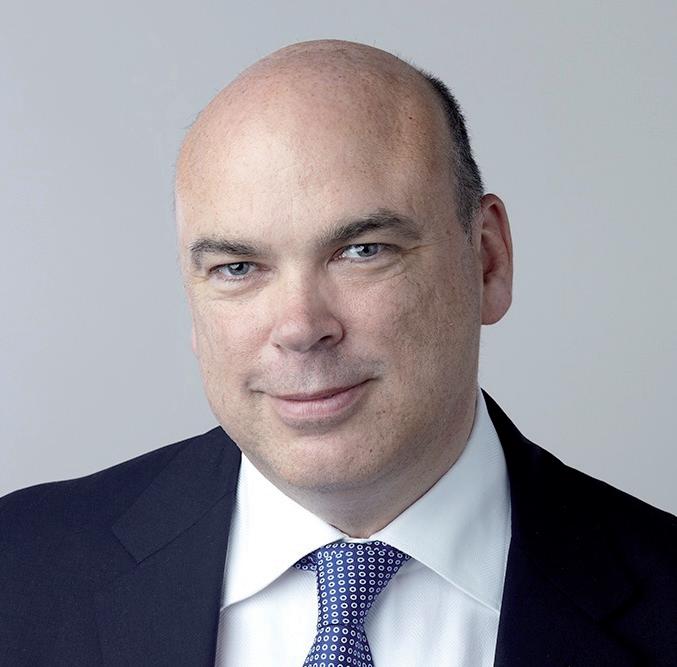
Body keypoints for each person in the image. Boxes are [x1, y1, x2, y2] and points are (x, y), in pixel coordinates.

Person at [1, 39, 675, 666]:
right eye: (238, 267)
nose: (300, 327)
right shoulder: (19, 572)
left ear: (487, 261)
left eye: (363, 251)